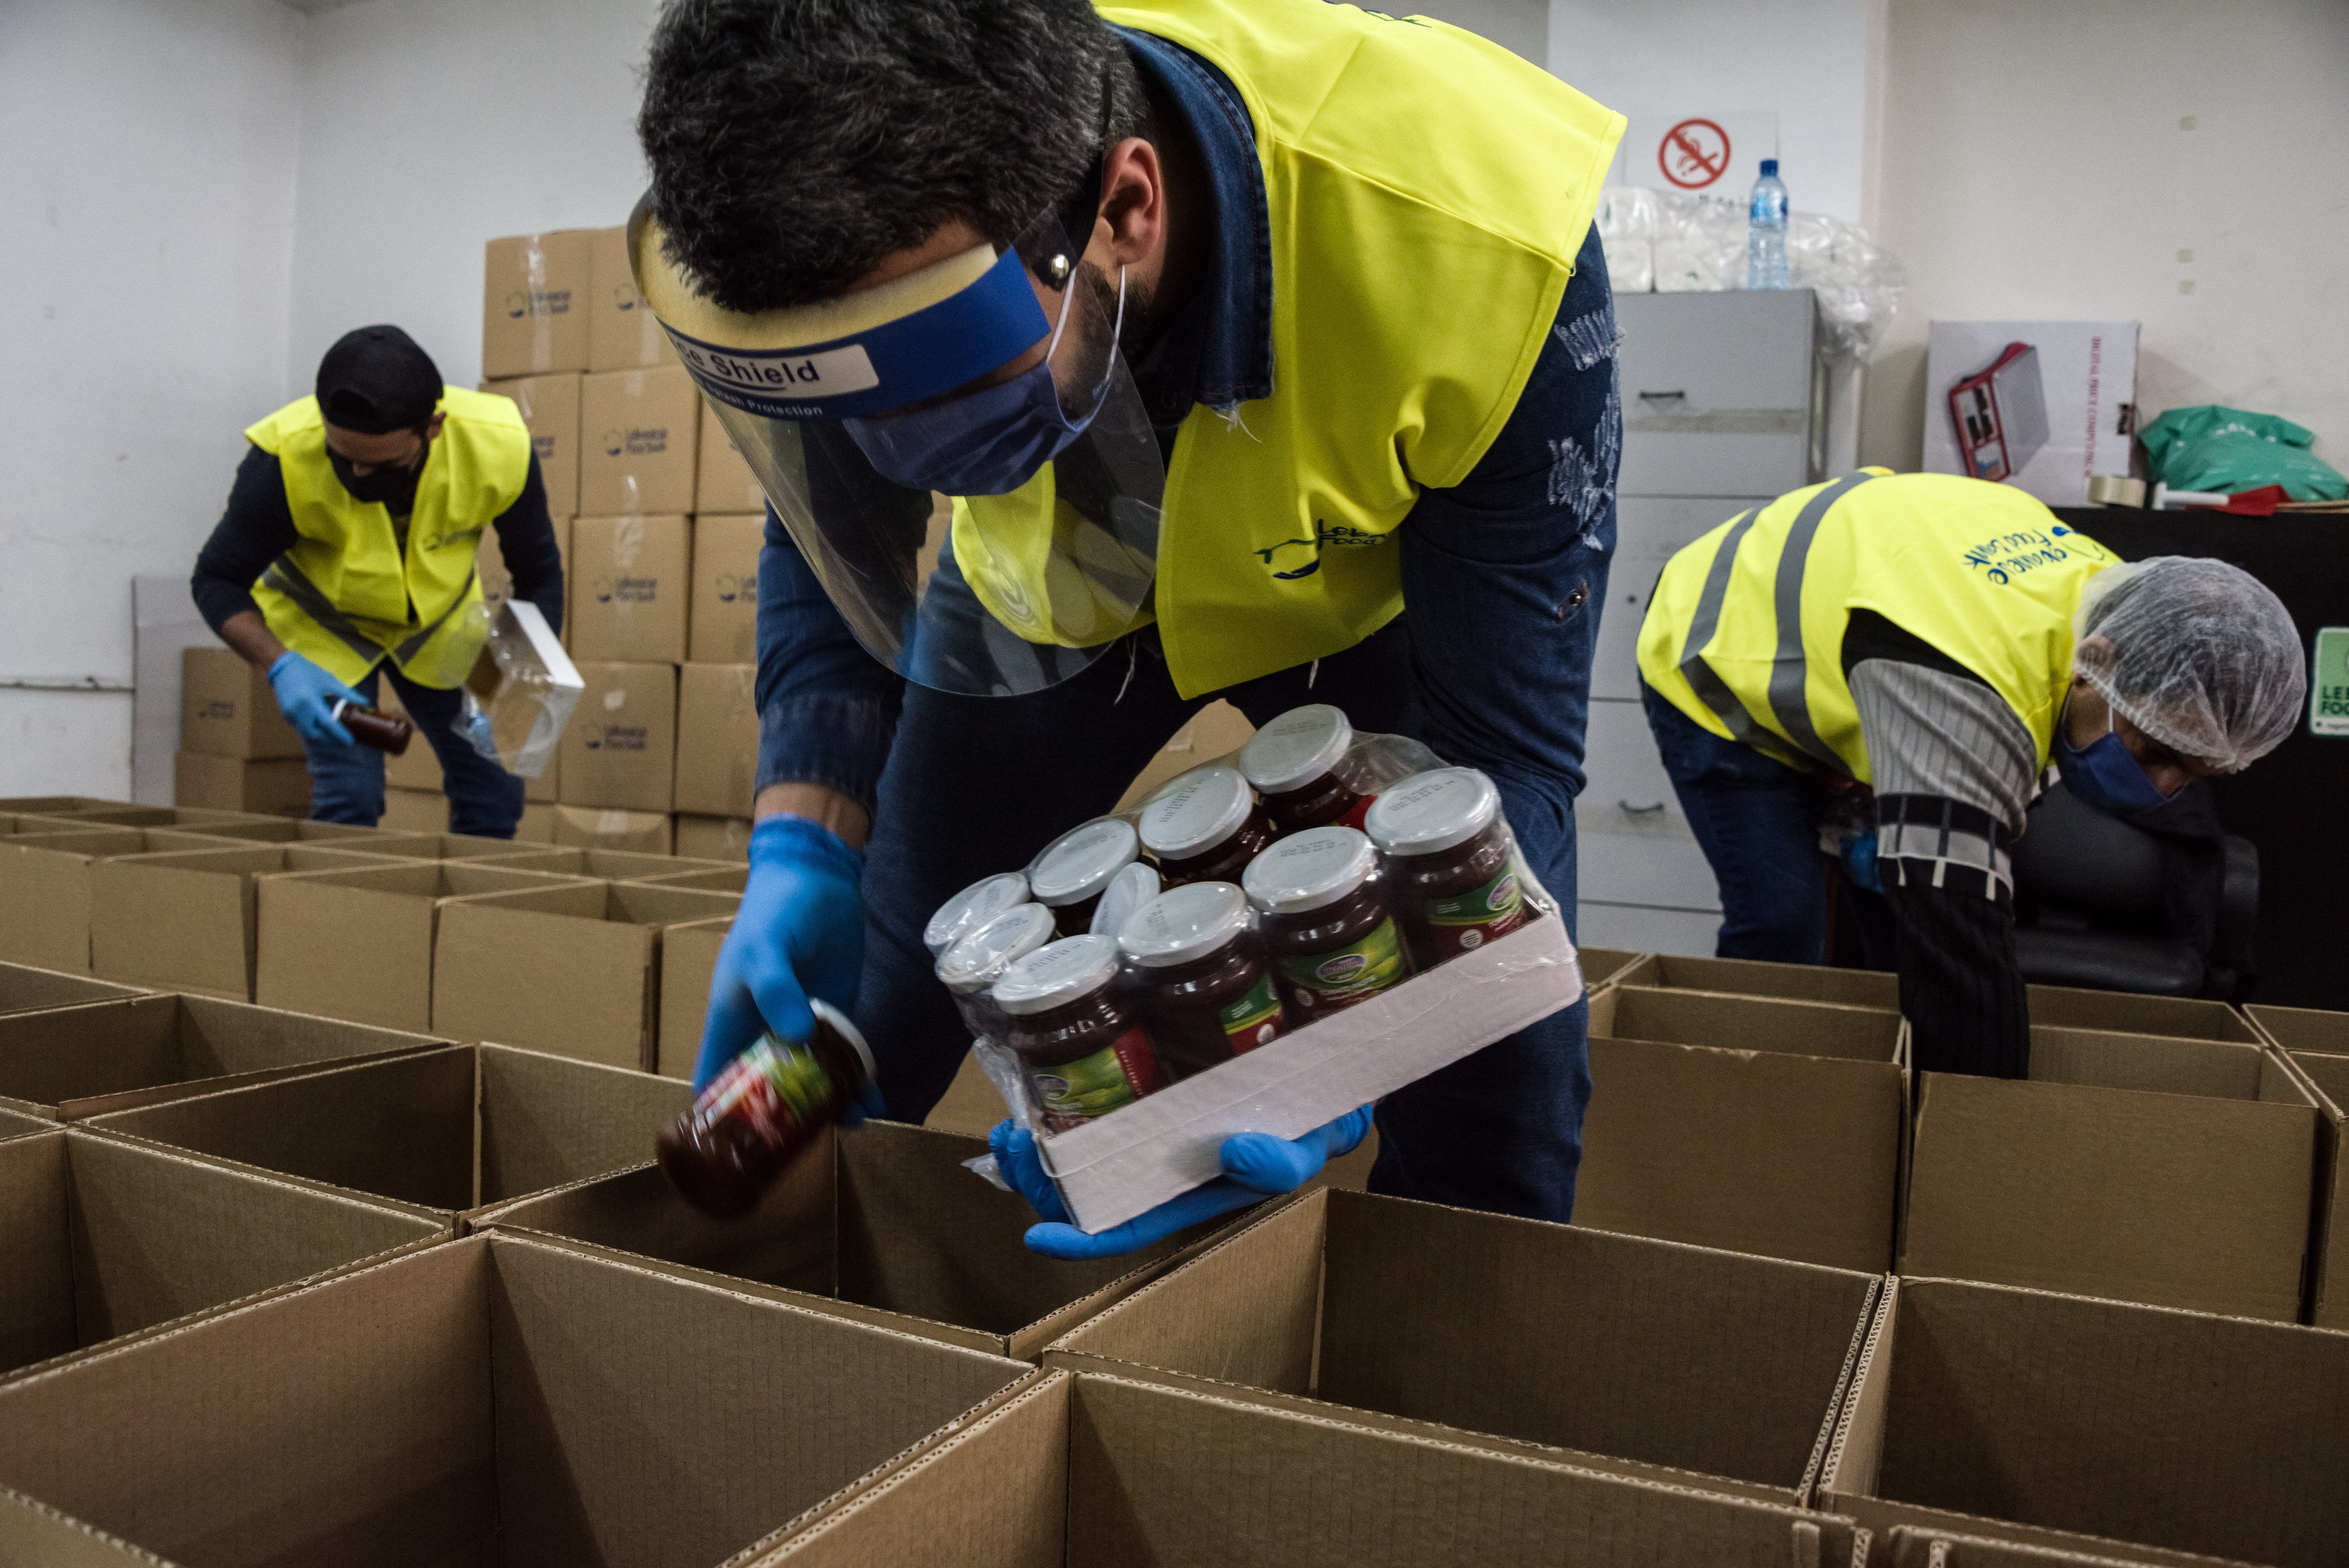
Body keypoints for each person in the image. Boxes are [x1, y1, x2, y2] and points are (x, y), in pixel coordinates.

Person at [632, 0, 1627, 1252]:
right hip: (1049, 596)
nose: (894, 457)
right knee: (876, 1004)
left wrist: (1341, 1048)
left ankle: (1443, 1403)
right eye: (845, 403)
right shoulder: (864, 205)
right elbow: (837, 544)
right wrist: (806, 838)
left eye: (936, 380)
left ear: (1124, 210)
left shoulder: (1485, 249)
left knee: (1496, 1054)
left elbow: (1517, 766)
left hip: (1355, 600)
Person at [1635, 469, 2305, 1076]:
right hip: (1720, 649)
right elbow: (1957, 935)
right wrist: (1983, 1143)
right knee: (1784, 920)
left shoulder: (2122, 603)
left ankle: (1859, 1092)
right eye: (2155, 751)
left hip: (1864, 638)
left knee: (1889, 924)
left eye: (2191, 773)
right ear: (2097, 662)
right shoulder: (1968, 682)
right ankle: (1735, 1098)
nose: (2162, 790)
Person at [191, 326, 564, 837]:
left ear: (433, 427)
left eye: (382, 463)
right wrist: (279, 666)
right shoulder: (279, 461)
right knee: (351, 795)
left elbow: (539, 574)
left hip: (441, 622)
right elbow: (215, 579)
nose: (359, 476)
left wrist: (522, 675)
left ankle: (473, 917)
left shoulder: (498, 448)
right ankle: (339, 915)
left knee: (495, 786)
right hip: (324, 628)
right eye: (343, 460)